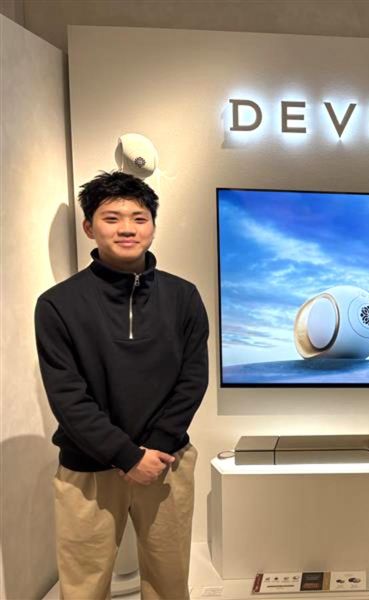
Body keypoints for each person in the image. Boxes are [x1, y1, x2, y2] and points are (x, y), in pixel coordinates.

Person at [35, 171, 209, 599]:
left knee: (169, 582)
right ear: (89, 227)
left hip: (166, 461)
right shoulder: (57, 304)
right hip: (87, 467)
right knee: (83, 585)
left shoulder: (183, 296)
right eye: (111, 218)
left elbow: (193, 379)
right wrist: (127, 456)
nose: (127, 228)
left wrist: (155, 450)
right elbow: (67, 396)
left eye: (139, 218)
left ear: (153, 226)